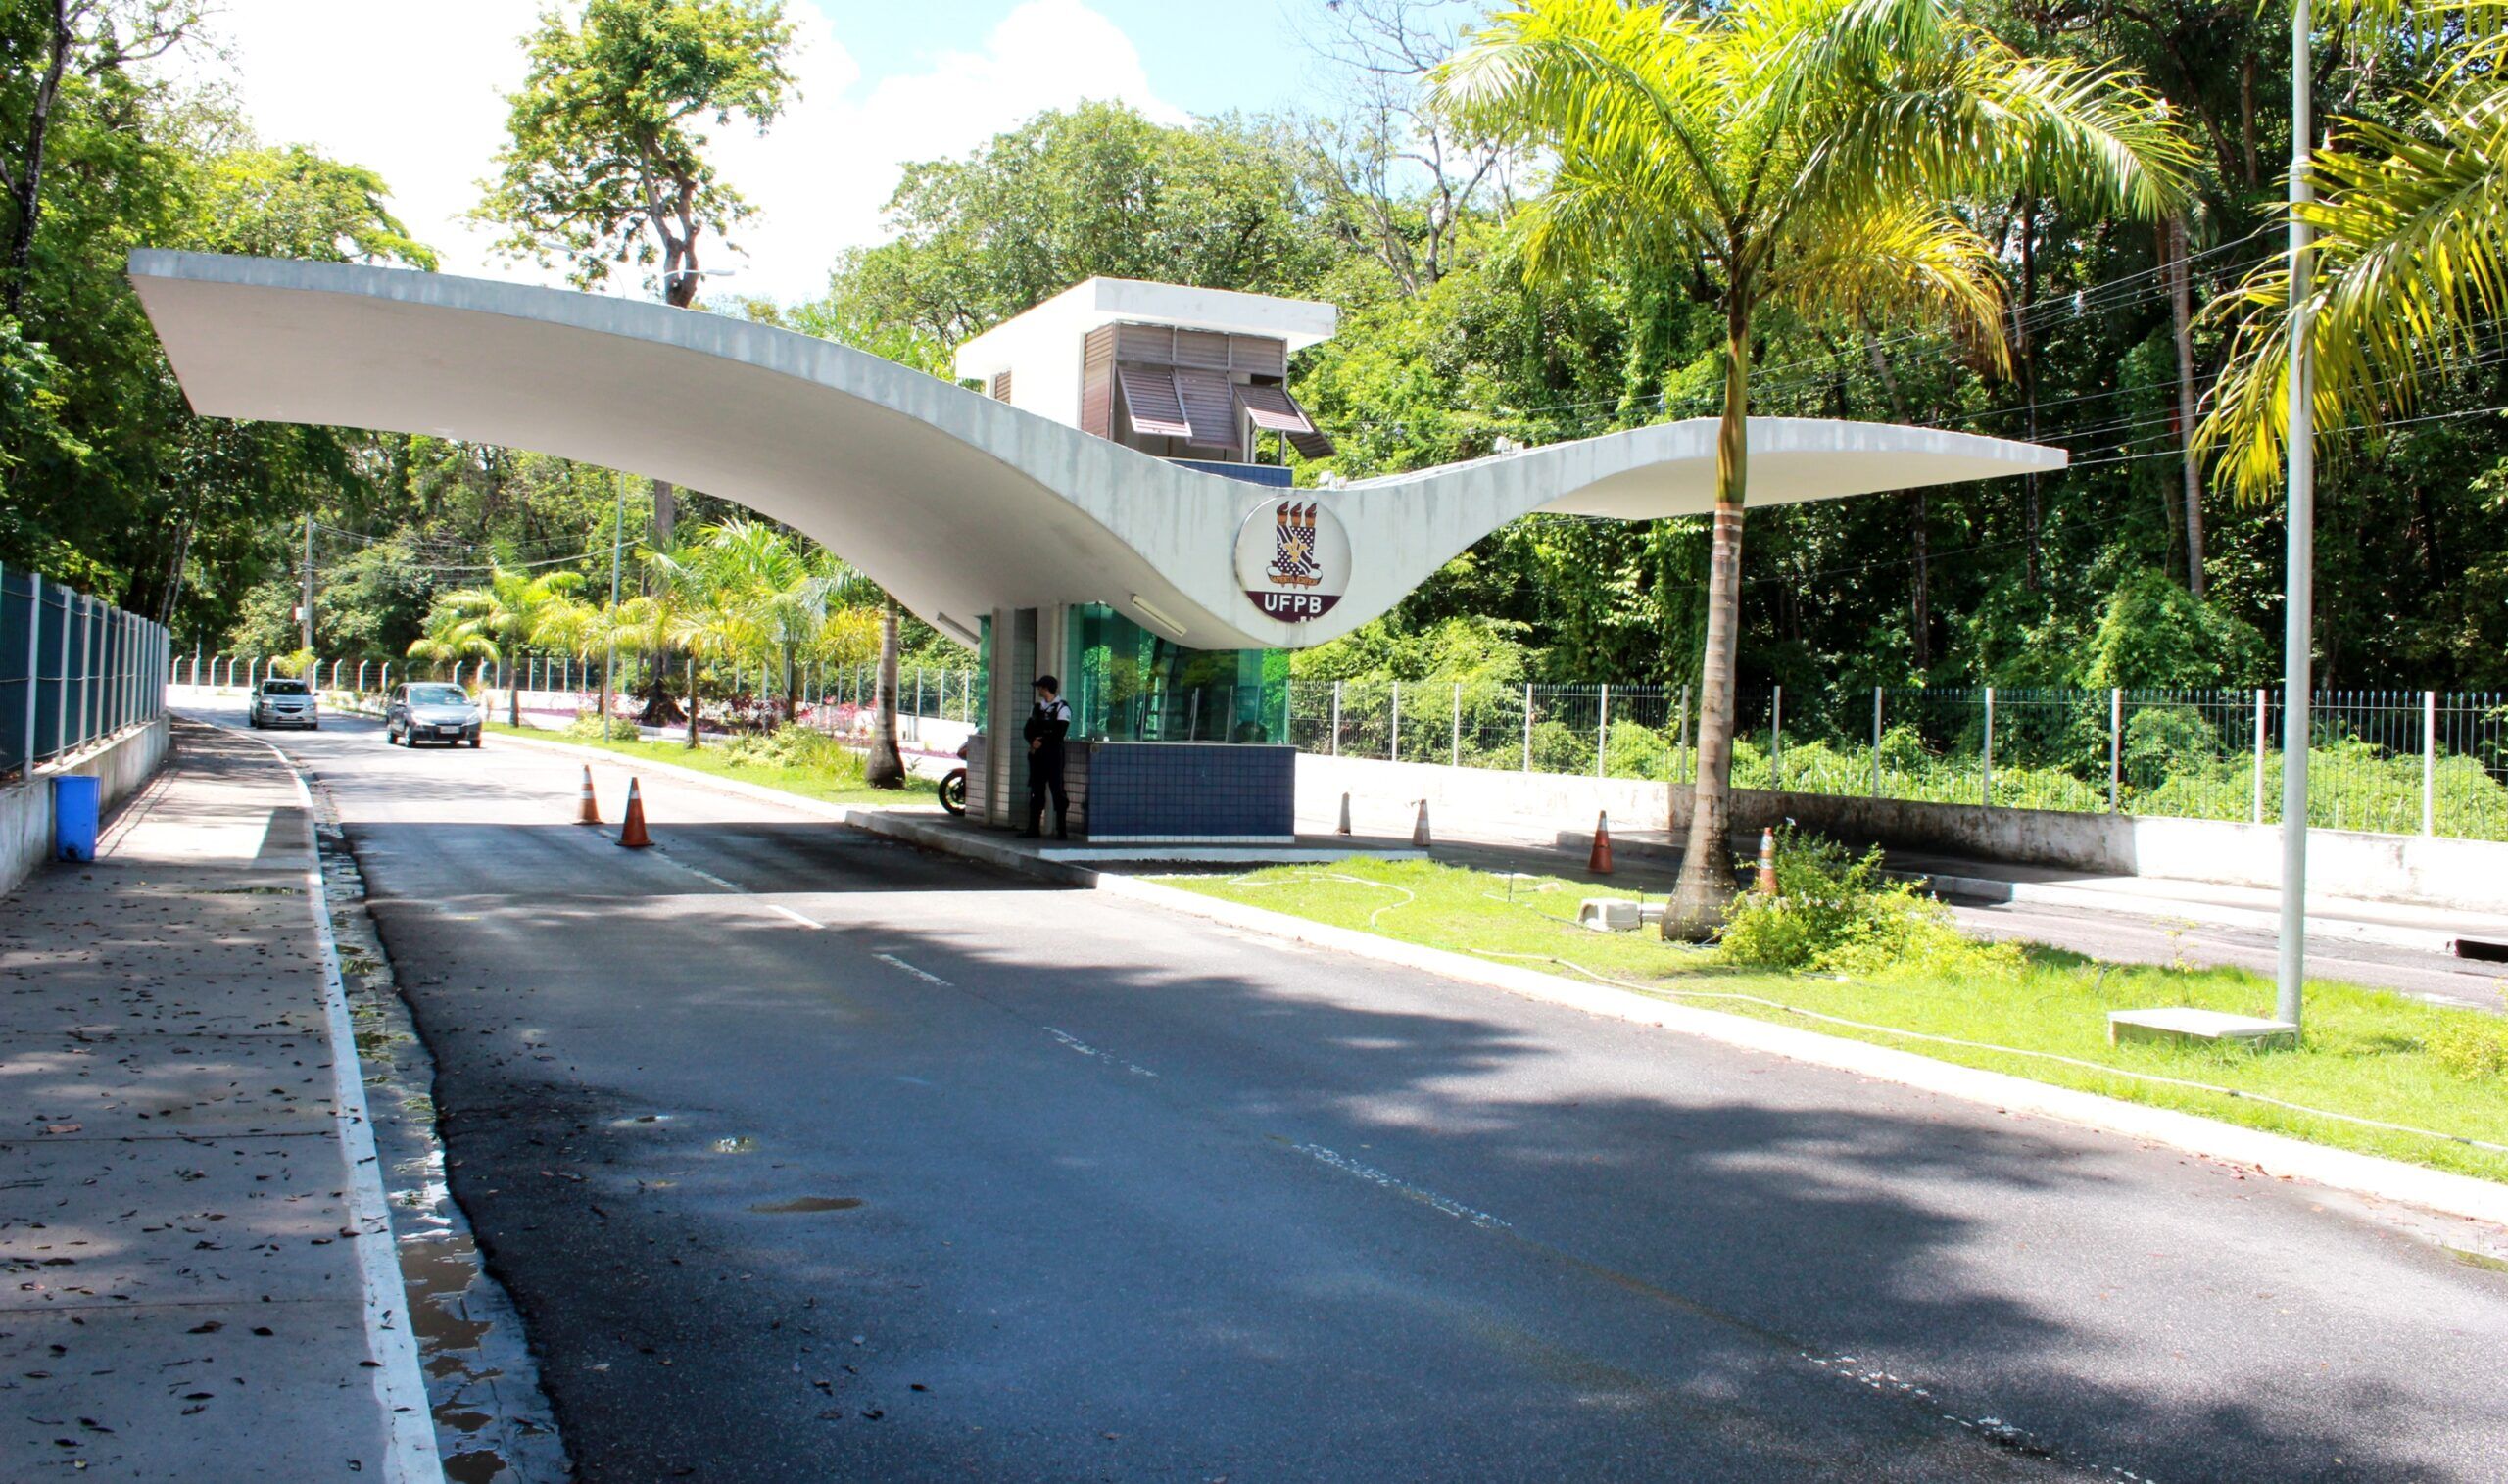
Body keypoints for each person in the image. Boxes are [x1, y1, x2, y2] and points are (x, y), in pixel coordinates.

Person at [1019, 674, 1072, 839]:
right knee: (1036, 790)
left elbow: (1059, 732)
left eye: (1040, 687)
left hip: (1054, 755)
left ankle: (1062, 830)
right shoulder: (1037, 708)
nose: (1039, 690)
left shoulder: (1062, 708)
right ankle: (1033, 828)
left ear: (1046, 688)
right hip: (1037, 756)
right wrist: (1032, 741)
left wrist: (1042, 741)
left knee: (1057, 790)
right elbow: (1027, 729)